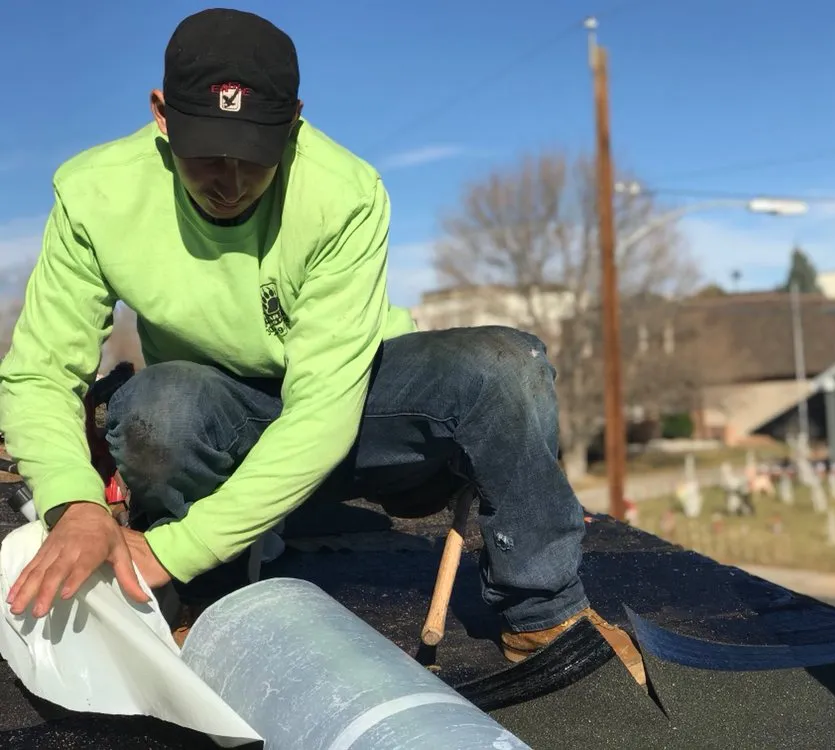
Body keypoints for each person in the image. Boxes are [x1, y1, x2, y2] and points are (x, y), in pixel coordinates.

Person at [0, 8, 645, 686]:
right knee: (158, 407)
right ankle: (206, 598)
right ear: (162, 115)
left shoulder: (346, 194)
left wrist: (172, 549)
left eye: (254, 156)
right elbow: (40, 371)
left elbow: (320, 414)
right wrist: (75, 506)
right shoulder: (93, 193)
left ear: (295, 120)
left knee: (507, 367)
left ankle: (544, 613)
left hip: (354, 405)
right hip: (222, 417)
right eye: (206, 154)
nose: (229, 181)